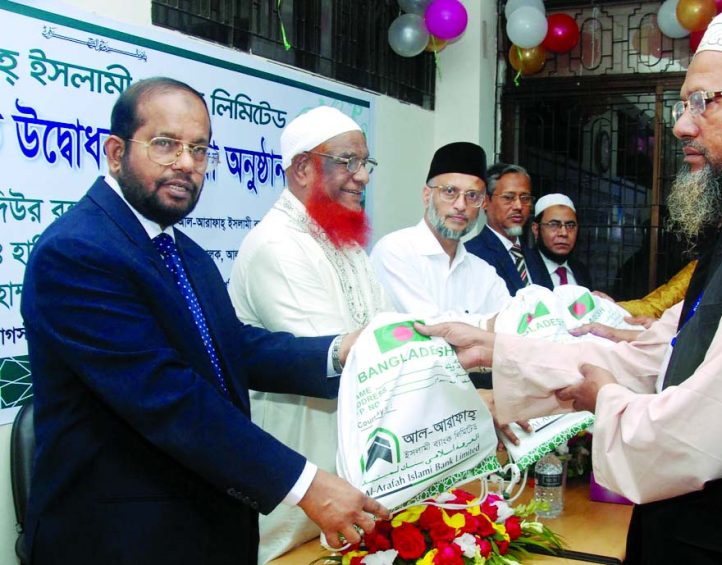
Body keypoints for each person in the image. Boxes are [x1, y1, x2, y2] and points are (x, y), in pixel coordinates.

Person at [419, 11, 722, 563]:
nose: (681, 125)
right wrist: (500, 348)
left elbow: (705, 432)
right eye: (683, 103)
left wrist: (606, 402)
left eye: (705, 101)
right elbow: (659, 356)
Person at [19, 77, 387, 565]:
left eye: (199, 149)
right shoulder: (78, 253)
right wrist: (306, 484)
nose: (187, 164)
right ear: (114, 152)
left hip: (203, 523)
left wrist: (343, 351)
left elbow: (234, 346)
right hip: (122, 538)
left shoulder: (181, 250)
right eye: (166, 145)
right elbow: (167, 397)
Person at [228, 106, 391, 563]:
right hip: (298, 489)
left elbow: (390, 332)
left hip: (348, 479)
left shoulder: (345, 238)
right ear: (302, 168)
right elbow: (341, 363)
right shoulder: (276, 244)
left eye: (365, 163)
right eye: (348, 162)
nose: (362, 176)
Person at [370, 142, 510, 320]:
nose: (461, 205)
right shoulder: (395, 251)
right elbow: (430, 328)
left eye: (472, 195)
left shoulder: (483, 272)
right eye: (450, 191)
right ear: (427, 195)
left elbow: (509, 326)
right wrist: (485, 330)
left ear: (483, 203)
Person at [466, 163, 553, 294]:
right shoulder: (471, 255)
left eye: (525, 198)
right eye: (508, 198)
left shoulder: (532, 255)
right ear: (485, 201)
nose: (518, 206)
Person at [530, 193, 593, 288]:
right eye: (553, 224)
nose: (564, 233)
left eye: (570, 225)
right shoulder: (525, 268)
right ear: (536, 229)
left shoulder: (581, 271)